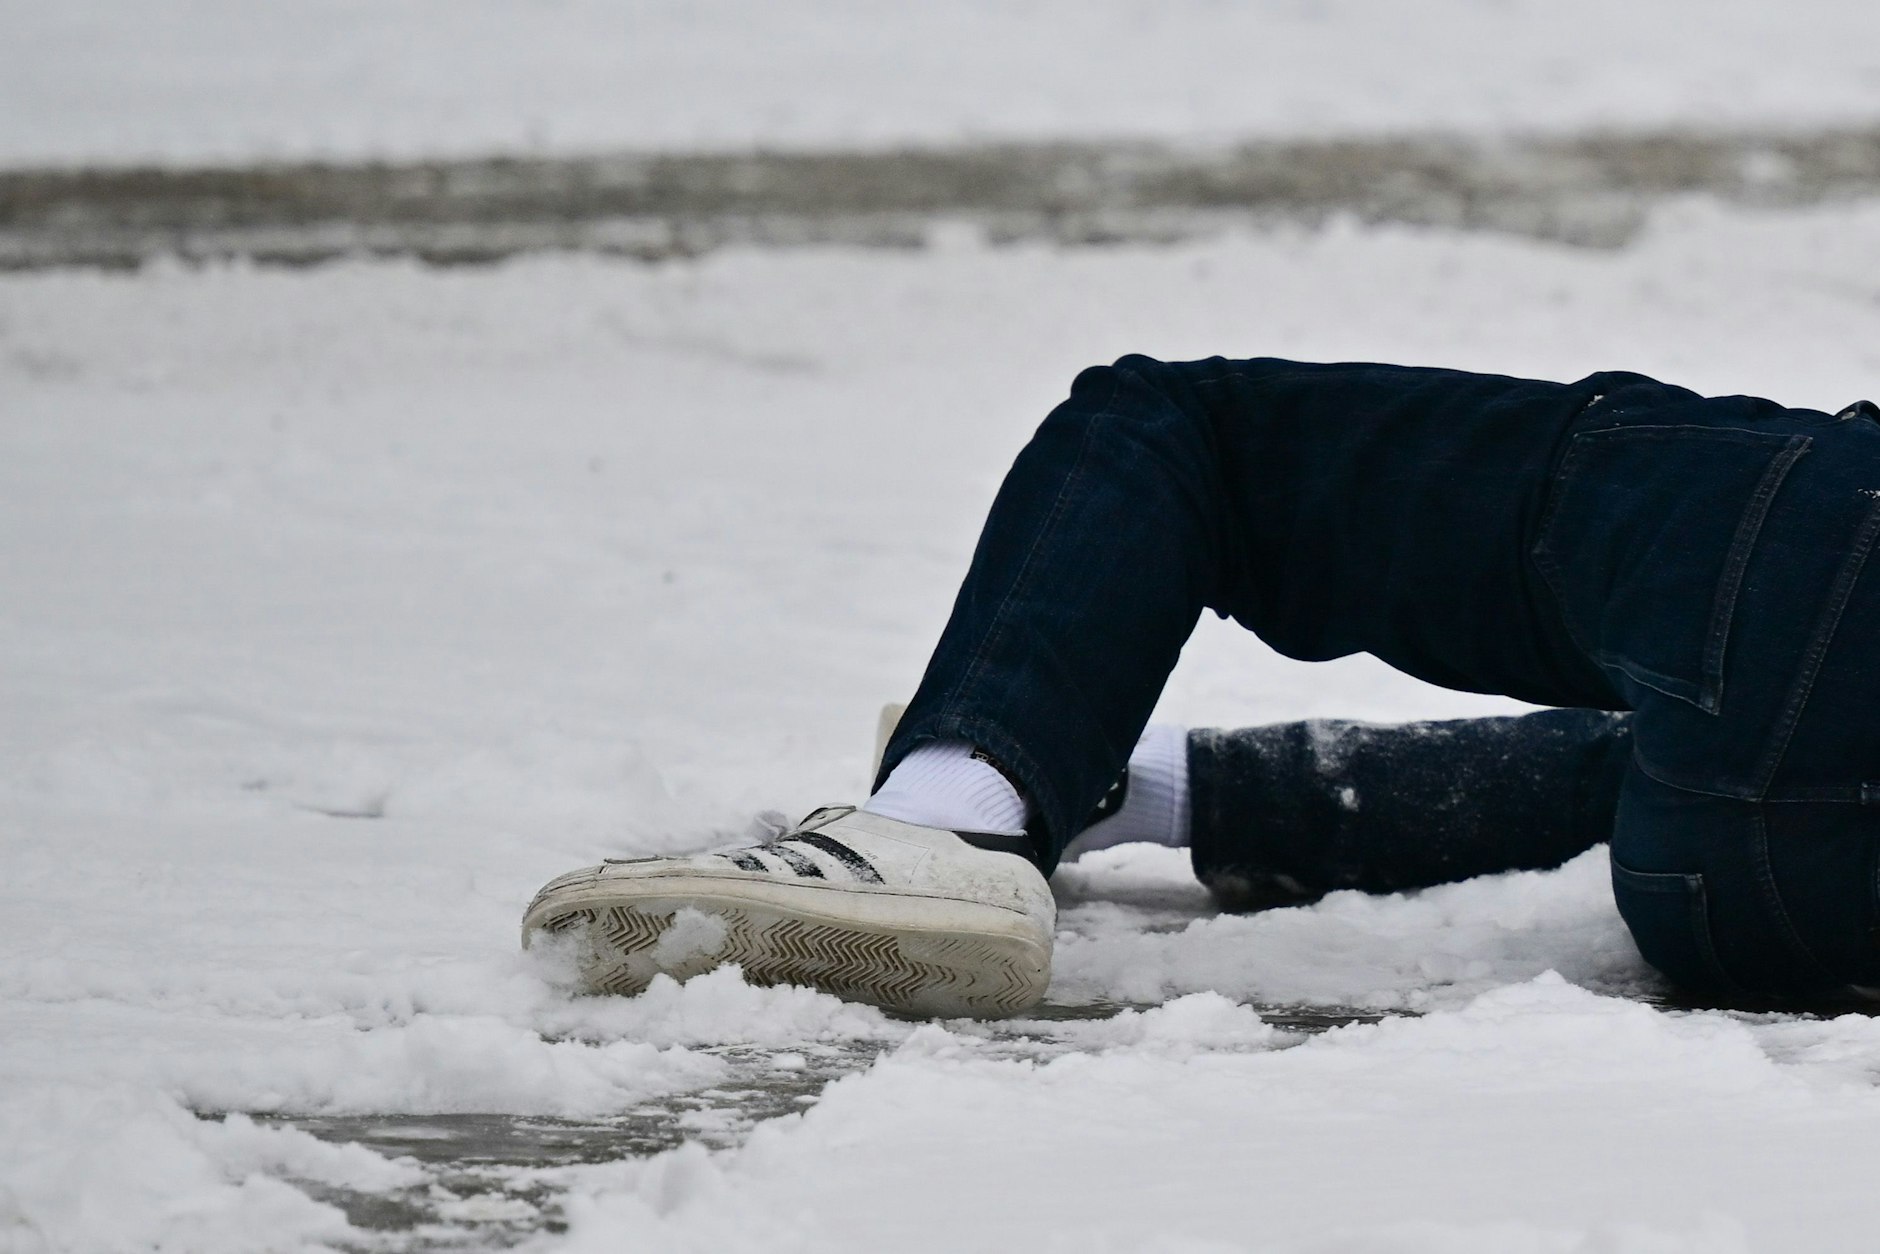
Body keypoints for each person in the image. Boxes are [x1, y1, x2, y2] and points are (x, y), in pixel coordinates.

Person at [523, 357, 1880, 1017]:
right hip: (1779, 909)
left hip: (1820, 567)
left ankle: (952, 819)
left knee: (1189, 434)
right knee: (1666, 762)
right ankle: (1136, 780)